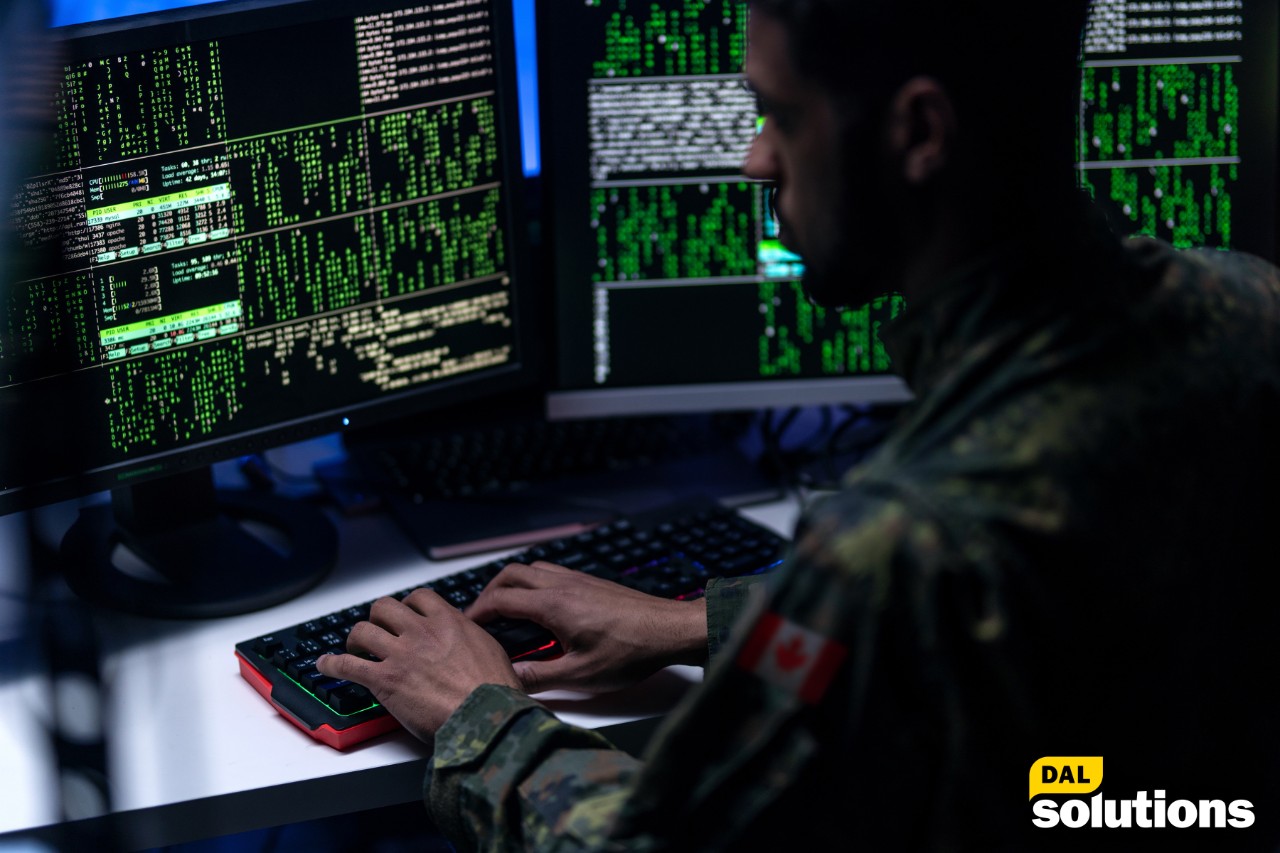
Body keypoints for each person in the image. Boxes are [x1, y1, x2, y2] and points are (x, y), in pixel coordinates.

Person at [318, 0, 1280, 849]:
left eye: (781, 114)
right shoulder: (1249, 311)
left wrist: (478, 714)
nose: (756, 158)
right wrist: (694, 622)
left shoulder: (899, 546)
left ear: (919, 132)